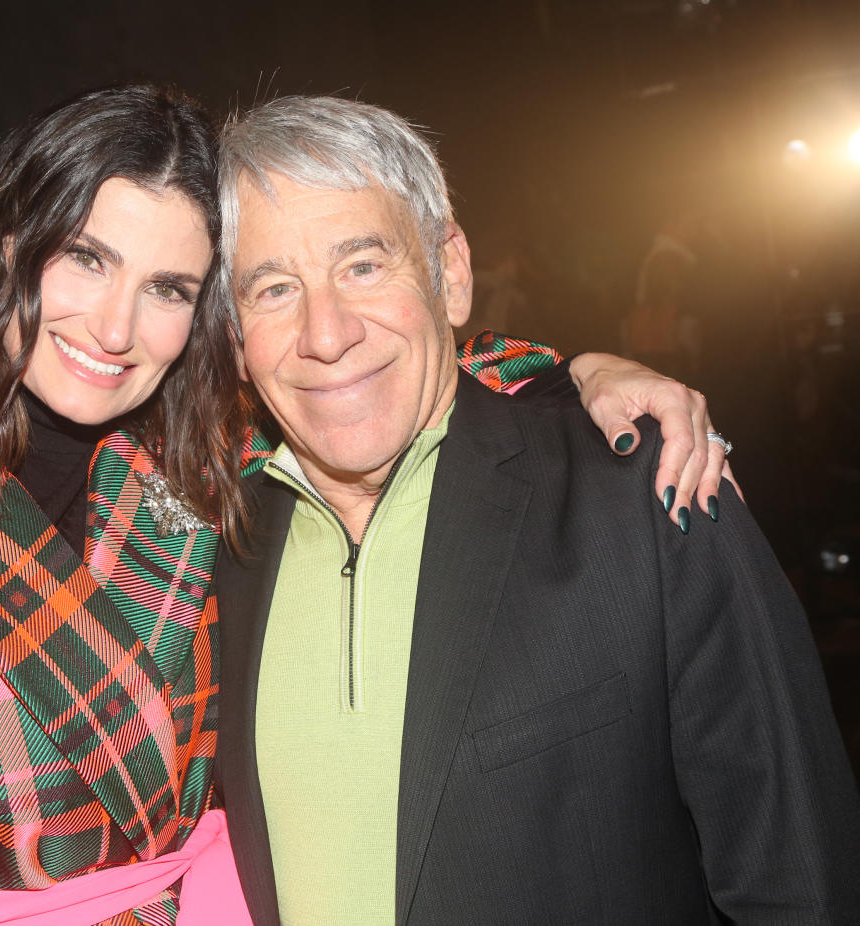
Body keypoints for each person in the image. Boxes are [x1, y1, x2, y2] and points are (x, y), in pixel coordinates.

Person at [0, 86, 730, 926]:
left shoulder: (192, 460)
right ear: (4, 246)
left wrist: (580, 370)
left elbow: (366, 365)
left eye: (172, 288)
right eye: (85, 258)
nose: (115, 326)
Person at [212, 95, 860, 925]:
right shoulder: (212, 552)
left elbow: (802, 883)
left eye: (363, 266)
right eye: (272, 289)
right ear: (233, 337)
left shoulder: (650, 493)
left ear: (449, 273)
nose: (327, 333)